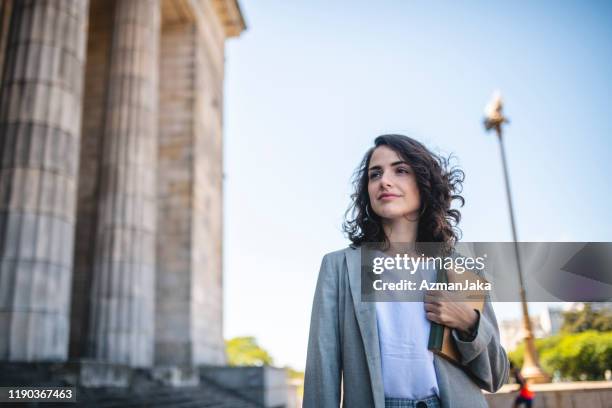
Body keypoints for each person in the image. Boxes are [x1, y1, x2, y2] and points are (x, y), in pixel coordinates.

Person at [303, 134, 509, 408]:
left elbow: (496, 376)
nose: (384, 181)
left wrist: (469, 323)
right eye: (375, 174)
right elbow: (322, 368)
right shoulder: (338, 267)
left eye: (400, 170)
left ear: (424, 183)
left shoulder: (460, 267)